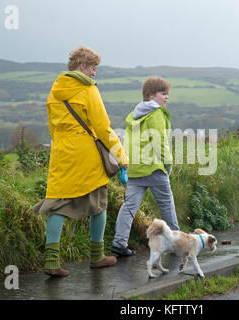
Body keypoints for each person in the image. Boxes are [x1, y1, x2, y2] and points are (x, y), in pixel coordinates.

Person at [31, 46, 129, 277]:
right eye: (93, 68)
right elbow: (104, 129)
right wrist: (122, 158)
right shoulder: (88, 90)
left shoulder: (55, 91)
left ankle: (52, 262)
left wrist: (62, 147)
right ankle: (97, 256)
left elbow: (53, 127)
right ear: (82, 65)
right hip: (86, 155)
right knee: (98, 203)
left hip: (61, 153)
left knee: (58, 204)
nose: (95, 73)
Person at [111, 76, 180, 257]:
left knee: (129, 207)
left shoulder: (134, 114)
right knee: (166, 205)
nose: (166, 98)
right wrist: (168, 164)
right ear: (150, 95)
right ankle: (176, 242)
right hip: (153, 167)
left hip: (134, 168)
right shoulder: (156, 113)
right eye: (163, 94)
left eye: (167, 94)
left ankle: (119, 243)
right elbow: (160, 142)